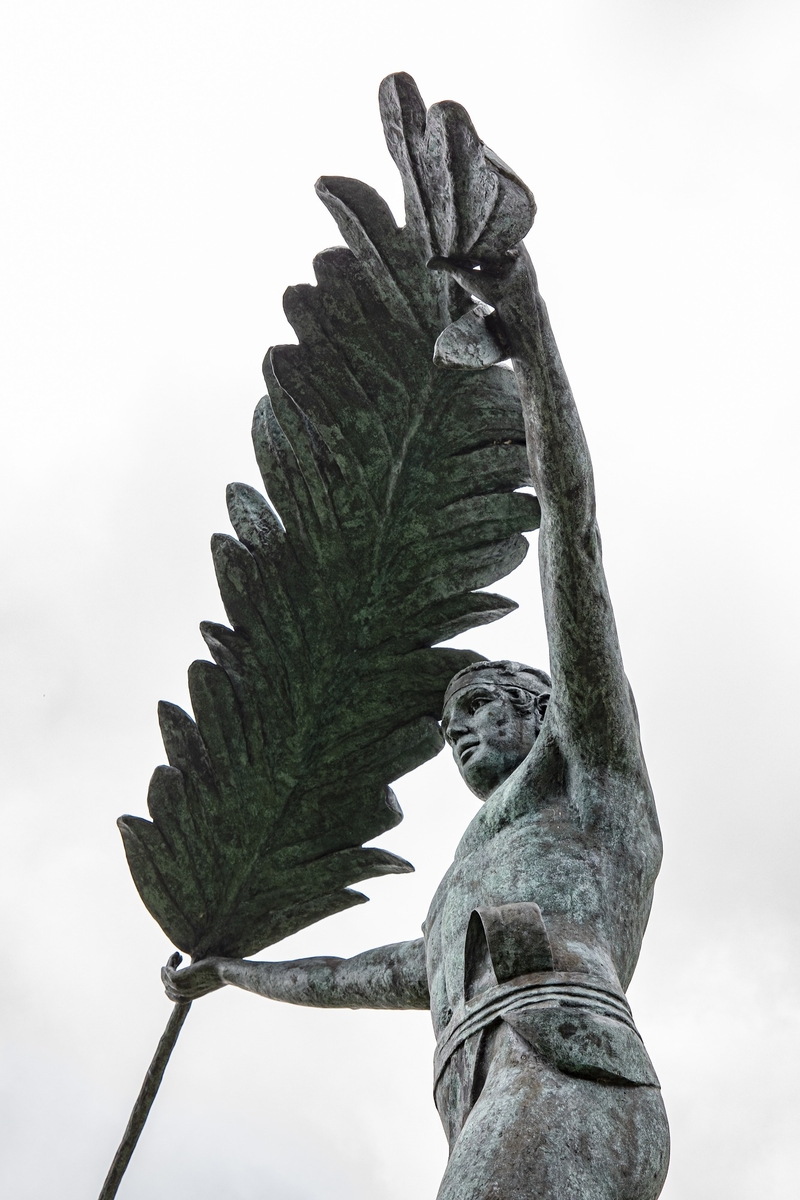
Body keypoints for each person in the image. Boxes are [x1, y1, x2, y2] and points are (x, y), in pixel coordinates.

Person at [163, 239, 670, 1200]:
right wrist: (231, 973)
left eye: (479, 702)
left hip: (564, 1076)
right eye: (447, 723)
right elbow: (354, 973)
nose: (459, 731)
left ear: (546, 706)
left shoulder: (594, 774)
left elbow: (574, 536)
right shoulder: (457, 899)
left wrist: (535, 343)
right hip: (489, 1096)